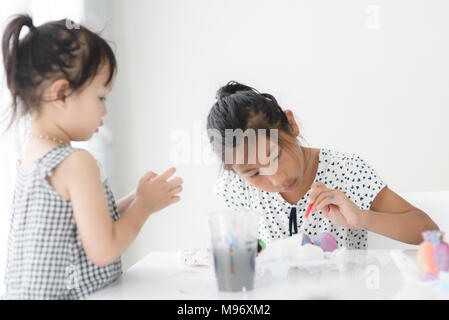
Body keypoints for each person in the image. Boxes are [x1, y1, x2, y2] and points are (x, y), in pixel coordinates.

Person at [1, 14, 183, 299]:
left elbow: (85, 224)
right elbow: (103, 249)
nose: (104, 111)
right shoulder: (76, 162)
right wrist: (144, 207)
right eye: (101, 98)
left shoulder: (34, 156)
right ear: (61, 94)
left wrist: (135, 198)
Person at [207, 81, 438, 248]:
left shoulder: (347, 171)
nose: (277, 179)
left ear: (291, 124)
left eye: (275, 156)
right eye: (254, 173)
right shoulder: (236, 188)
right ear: (233, 171)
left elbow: (429, 232)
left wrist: (362, 219)